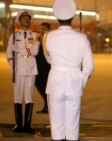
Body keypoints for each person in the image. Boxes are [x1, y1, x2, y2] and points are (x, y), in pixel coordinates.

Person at [43, 0, 94, 140]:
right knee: (72, 125)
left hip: (55, 82)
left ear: (57, 17)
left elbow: (48, 59)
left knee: (56, 124)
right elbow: (89, 66)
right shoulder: (82, 38)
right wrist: (81, 81)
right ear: (73, 18)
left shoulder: (48, 37)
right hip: (74, 82)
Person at [6, 9, 40, 133]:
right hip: (18, 69)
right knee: (18, 96)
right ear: (19, 21)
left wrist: (19, 50)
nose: (26, 19)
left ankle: (28, 125)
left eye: (28, 18)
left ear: (30, 21)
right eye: (23, 18)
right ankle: (18, 125)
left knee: (29, 96)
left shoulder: (35, 35)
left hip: (31, 68)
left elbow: (35, 51)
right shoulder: (13, 36)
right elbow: (9, 53)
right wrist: (12, 66)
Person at [36, 22, 51, 114]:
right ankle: (47, 103)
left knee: (46, 87)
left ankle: (47, 106)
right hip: (37, 67)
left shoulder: (50, 39)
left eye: (44, 28)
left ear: (49, 30)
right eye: (41, 28)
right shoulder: (37, 39)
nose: (42, 30)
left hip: (47, 67)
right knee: (38, 84)